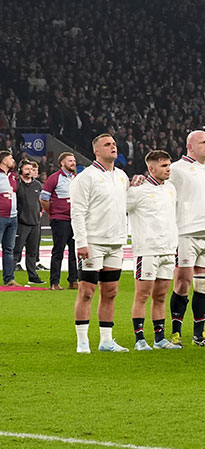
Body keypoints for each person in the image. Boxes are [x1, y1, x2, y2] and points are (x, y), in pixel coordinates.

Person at [70, 134, 130, 353]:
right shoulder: (85, 177)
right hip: (93, 242)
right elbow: (77, 213)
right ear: (96, 151)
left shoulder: (122, 176)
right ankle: (82, 341)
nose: (113, 147)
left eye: (114, 144)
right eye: (107, 145)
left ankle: (106, 340)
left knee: (111, 291)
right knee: (86, 291)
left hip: (116, 242)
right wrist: (81, 243)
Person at [166, 130, 205, 347]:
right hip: (186, 232)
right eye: (202, 142)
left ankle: (199, 335)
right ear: (190, 146)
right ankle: (176, 333)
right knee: (182, 283)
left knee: (204, 286)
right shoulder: (177, 169)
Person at [126, 150, 181, 350]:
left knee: (160, 296)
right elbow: (120, 207)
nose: (169, 169)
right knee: (142, 295)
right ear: (151, 168)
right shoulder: (137, 191)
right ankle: (140, 339)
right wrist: (129, 184)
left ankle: (159, 339)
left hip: (168, 249)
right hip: (147, 250)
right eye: (164, 166)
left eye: (169, 165)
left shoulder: (171, 189)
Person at [40, 152, 78, 290]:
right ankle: (54, 282)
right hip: (60, 220)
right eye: (70, 161)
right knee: (58, 251)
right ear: (62, 163)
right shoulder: (54, 178)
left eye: (74, 160)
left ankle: (73, 280)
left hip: (75, 220)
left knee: (75, 252)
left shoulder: (76, 178)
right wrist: (53, 213)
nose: (73, 163)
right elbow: (43, 199)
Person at [16, 159, 45, 284]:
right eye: (27, 169)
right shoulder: (16, 184)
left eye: (31, 169)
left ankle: (33, 276)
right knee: (15, 251)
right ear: (20, 170)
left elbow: (42, 201)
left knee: (32, 252)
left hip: (35, 223)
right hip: (21, 222)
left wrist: (40, 211)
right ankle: (9, 277)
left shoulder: (37, 185)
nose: (29, 171)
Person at [0, 151, 17, 286]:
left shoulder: (12, 176)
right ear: (4, 160)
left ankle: (9, 279)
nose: (13, 160)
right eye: (10, 158)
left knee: (9, 249)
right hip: (0, 216)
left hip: (12, 217)